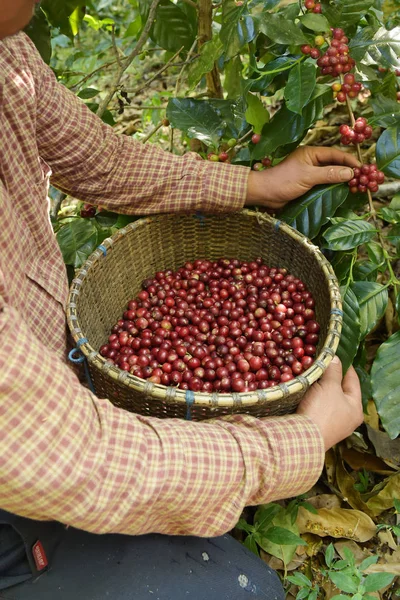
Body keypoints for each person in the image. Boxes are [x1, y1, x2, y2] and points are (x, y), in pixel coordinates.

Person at [0, 1, 363, 598]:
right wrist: (302, 441)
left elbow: (95, 156)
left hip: (43, 406)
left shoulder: (7, 50)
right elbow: (83, 459)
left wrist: (251, 185)